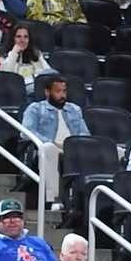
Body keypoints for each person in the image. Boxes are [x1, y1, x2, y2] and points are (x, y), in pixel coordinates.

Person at [21, 76, 90, 208]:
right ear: (47, 92)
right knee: (49, 148)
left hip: (73, 148)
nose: (62, 95)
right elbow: (26, 132)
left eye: (64, 91)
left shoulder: (74, 109)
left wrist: (75, 144)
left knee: (116, 151)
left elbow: (84, 133)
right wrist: (52, 143)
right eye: (58, 91)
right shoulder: (35, 108)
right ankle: (54, 199)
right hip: (50, 147)